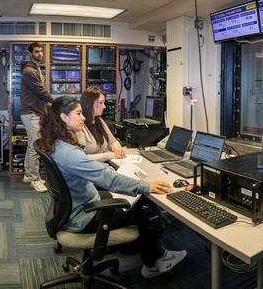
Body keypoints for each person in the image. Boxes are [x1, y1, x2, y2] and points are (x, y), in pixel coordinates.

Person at [37, 96, 186, 278]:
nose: (83, 117)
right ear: (63, 117)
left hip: (77, 206)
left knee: (134, 201)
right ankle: (155, 262)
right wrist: (146, 186)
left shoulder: (58, 144)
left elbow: (86, 169)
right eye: (78, 113)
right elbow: (109, 180)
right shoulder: (68, 152)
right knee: (145, 208)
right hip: (84, 216)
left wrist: (102, 169)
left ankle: (153, 257)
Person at [20, 42, 53, 192]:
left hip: (36, 112)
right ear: (30, 53)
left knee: (31, 145)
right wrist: (56, 101)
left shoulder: (37, 69)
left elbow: (40, 93)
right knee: (37, 145)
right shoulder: (29, 71)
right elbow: (41, 91)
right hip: (31, 113)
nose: (40, 54)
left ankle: (28, 174)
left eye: (41, 51)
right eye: (36, 51)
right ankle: (35, 179)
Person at [75, 87, 126, 162]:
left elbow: (113, 141)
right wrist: (109, 155)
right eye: (101, 102)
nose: (104, 106)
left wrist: (117, 150)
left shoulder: (99, 121)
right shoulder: (80, 126)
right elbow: (82, 158)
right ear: (90, 104)